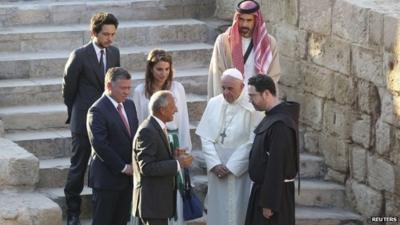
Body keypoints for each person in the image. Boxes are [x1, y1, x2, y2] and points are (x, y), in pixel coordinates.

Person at [62, 12, 120, 225]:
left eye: (113, 34)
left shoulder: (114, 53)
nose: (110, 39)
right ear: (94, 32)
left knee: (105, 165)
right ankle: (73, 213)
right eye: (106, 34)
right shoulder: (79, 55)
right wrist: (76, 113)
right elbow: (68, 90)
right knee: (78, 167)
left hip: (107, 120)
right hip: (82, 120)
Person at [131, 49, 192, 225]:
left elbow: (184, 120)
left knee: (174, 191)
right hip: (152, 140)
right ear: (150, 69)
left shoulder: (177, 88)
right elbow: (138, 122)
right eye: (159, 69)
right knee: (155, 190)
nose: (163, 73)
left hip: (173, 140)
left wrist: (183, 152)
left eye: (167, 69)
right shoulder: (140, 90)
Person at [195, 68, 261, 225]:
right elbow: (206, 137)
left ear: (242, 87)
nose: (225, 92)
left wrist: (232, 166)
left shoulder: (253, 108)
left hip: (240, 170)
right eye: (223, 87)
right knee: (218, 210)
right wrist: (215, 164)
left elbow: (252, 141)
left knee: (238, 211)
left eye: (230, 88)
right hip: (216, 169)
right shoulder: (214, 103)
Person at [86, 67, 138, 225]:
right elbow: (100, 145)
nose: (127, 92)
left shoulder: (129, 105)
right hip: (107, 179)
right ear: (109, 86)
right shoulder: (97, 110)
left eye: (129, 88)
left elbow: (134, 137)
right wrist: (123, 167)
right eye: (123, 88)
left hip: (127, 180)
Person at [245, 74, 299, 225]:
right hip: (263, 192)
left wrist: (269, 203)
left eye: (252, 96)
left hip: (274, 198)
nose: (250, 101)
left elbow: (277, 164)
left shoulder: (280, 125)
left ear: (266, 93)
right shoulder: (272, 117)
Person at [208, 0, 281, 99]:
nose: (244, 24)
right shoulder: (223, 41)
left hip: (257, 102)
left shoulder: (269, 43)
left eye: (249, 20)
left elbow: (273, 75)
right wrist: (222, 100)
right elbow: (217, 74)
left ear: (256, 20)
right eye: (241, 19)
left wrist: (263, 100)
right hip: (232, 100)